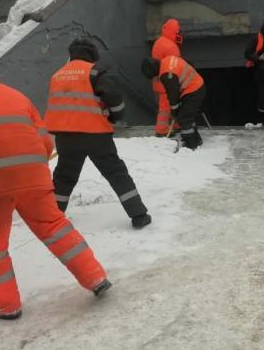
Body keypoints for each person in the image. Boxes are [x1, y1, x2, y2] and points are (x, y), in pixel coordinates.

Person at [0, 57, 112, 321]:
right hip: (34, 176)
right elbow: (44, 138)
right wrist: (31, 165)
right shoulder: (14, 94)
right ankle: (95, 276)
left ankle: (5, 305)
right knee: (55, 226)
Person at [45, 39, 152, 229]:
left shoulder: (57, 75)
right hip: (95, 135)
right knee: (116, 173)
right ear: (92, 55)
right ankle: (138, 215)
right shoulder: (94, 72)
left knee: (64, 177)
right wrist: (115, 116)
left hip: (65, 137)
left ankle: (52, 217)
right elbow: (114, 99)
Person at [141, 55, 205, 150]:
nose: (155, 78)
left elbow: (172, 95)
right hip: (195, 86)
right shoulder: (167, 60)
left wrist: (174, 110)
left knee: (184, 119)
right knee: (187, 117)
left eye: (153, 76)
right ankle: (196, 139)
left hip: (193, 90)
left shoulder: (167, 75)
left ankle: (191, 144)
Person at [151, 19, 183, 137]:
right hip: (167, 83)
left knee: (169, 104)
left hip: (159, 81)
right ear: (174, 31)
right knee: (167, 106)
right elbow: (174, 66)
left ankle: (174, 125)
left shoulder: (159, 42)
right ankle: (162, 129)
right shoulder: (171, 47)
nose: (180, 34)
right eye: (178, 31)